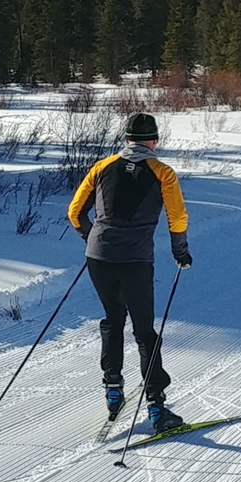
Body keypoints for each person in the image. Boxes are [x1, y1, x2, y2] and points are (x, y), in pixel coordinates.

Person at [66, 112, 192, 434]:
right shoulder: (163, 172)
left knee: (112, 319)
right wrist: (180, 252)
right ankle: (156, 408)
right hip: (135, 260)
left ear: (125, 140)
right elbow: (177, 218)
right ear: (154, 142)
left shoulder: (101, 167)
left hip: (99, 256)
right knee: (145, 332)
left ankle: (112, 390)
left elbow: (75, 212)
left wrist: (95, 239)